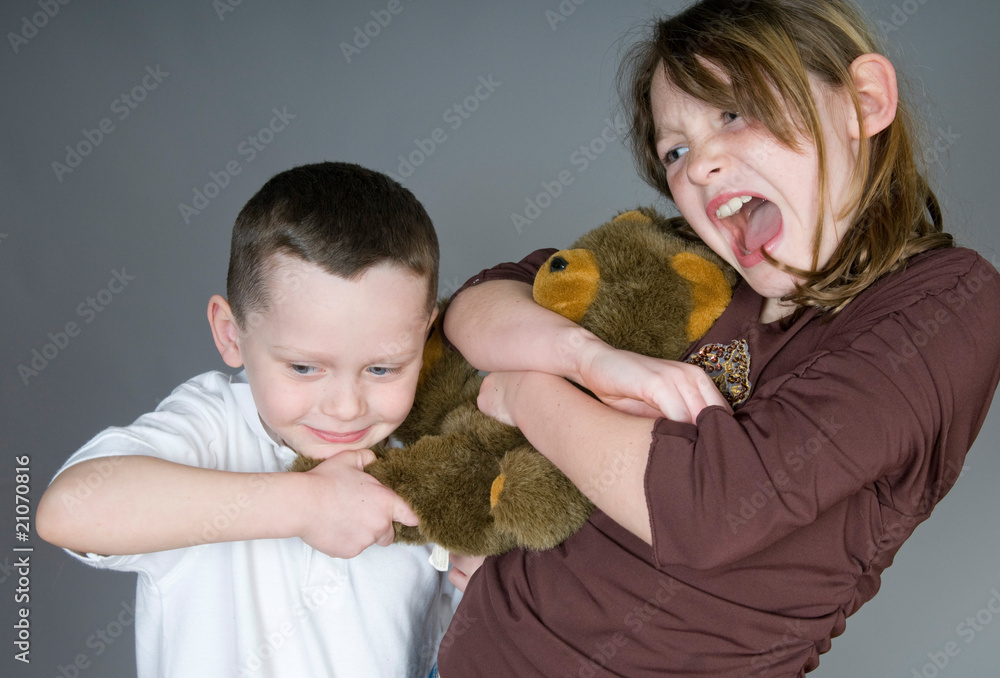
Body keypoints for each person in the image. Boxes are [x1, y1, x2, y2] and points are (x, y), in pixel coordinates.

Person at [437, 0, 1000, 676]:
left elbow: (712, 508)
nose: (699, 165)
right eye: (675, 150)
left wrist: (523, 391)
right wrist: (590, 359)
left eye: (733, 113)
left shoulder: (949, 301)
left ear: (863, 101)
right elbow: (474, 309)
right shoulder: (682, 264)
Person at [37, 161, 453, 677]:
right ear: (232, 335)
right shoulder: (213, 428)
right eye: (303, 367)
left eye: (382, 368)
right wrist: (307, 503)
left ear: (425, 338)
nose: (347, 407)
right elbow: (68, 510)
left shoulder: (426, 463)